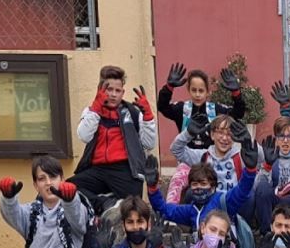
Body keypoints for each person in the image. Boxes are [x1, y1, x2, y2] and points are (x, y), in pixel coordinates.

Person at [69, 65, 157, 215]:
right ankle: (105, 204)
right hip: (97, 169)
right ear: (101, 89)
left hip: (125, 170)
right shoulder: (92, 111)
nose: (113, 95)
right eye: (109, 90)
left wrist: (147, 116)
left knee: (134, 210)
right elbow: (84, 136)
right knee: (68, 189)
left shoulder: (132, 112)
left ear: (123, 92)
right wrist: (96, 107)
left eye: (118, 91)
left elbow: (149, 144)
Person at [157, 64, 245, 202]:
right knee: (176, 183)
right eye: (194, 90)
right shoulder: (183, 109)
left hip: (210, 160)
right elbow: (162, 107)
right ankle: (171, 218)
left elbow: (237, 114)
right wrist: (168, 88)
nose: (197, 94)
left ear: (208, 91)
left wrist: (236, 93)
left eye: (201, 90)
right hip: (188, 160)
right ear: (189, 90)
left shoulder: (215, 109)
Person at [170, 115, 260, 197]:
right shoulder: (203, 156)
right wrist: (188, 134)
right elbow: (176, 150)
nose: (224, 138)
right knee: (190, 193)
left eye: (229, 134)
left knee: (250, 196)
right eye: (220, 132)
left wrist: (248, 141)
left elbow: (261, 158)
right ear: (212, 135)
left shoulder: (241, 156)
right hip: (210, 205)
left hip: (234, 204)